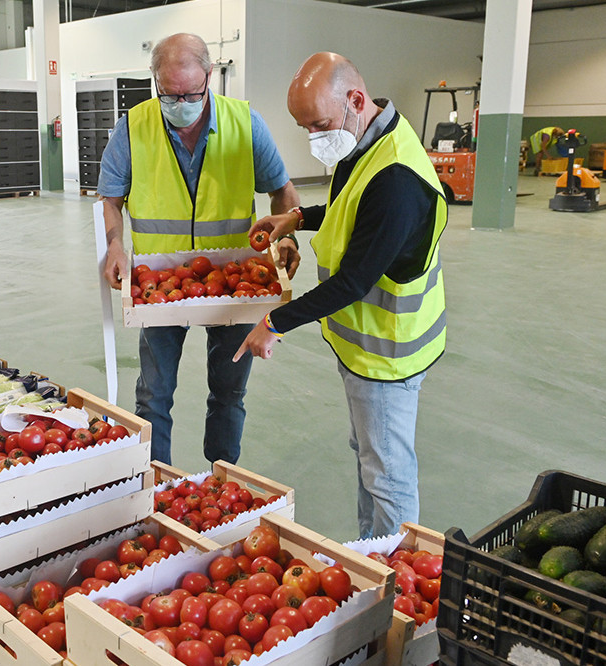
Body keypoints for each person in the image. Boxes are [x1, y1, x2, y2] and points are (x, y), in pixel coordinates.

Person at [234, 53, 447, 539]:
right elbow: (349, 209)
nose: (314, 138)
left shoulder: (396, 180)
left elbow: (352, 281)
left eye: (319, 124)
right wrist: (297, 218)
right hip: (364, 347)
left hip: (388, 352)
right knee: (371, 458)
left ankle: (395, 572)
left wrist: (274, 323)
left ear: (355, 99)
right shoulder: (366, 139)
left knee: (387, 473)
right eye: (304, 128)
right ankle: (371, 549)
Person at [99, 33, 300, 466]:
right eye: (169, 94)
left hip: (234, 280)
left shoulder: (244, 123)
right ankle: (154, 488)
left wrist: (286, 236)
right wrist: (115, 243)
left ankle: (219, 481)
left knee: (229, 392)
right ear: (155, 81)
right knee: (154, 396)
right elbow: (111, 197)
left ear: (210, 76)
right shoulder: (134, 127)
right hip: (159, 283)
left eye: (191, 93)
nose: (180, 103)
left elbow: (283, 192)